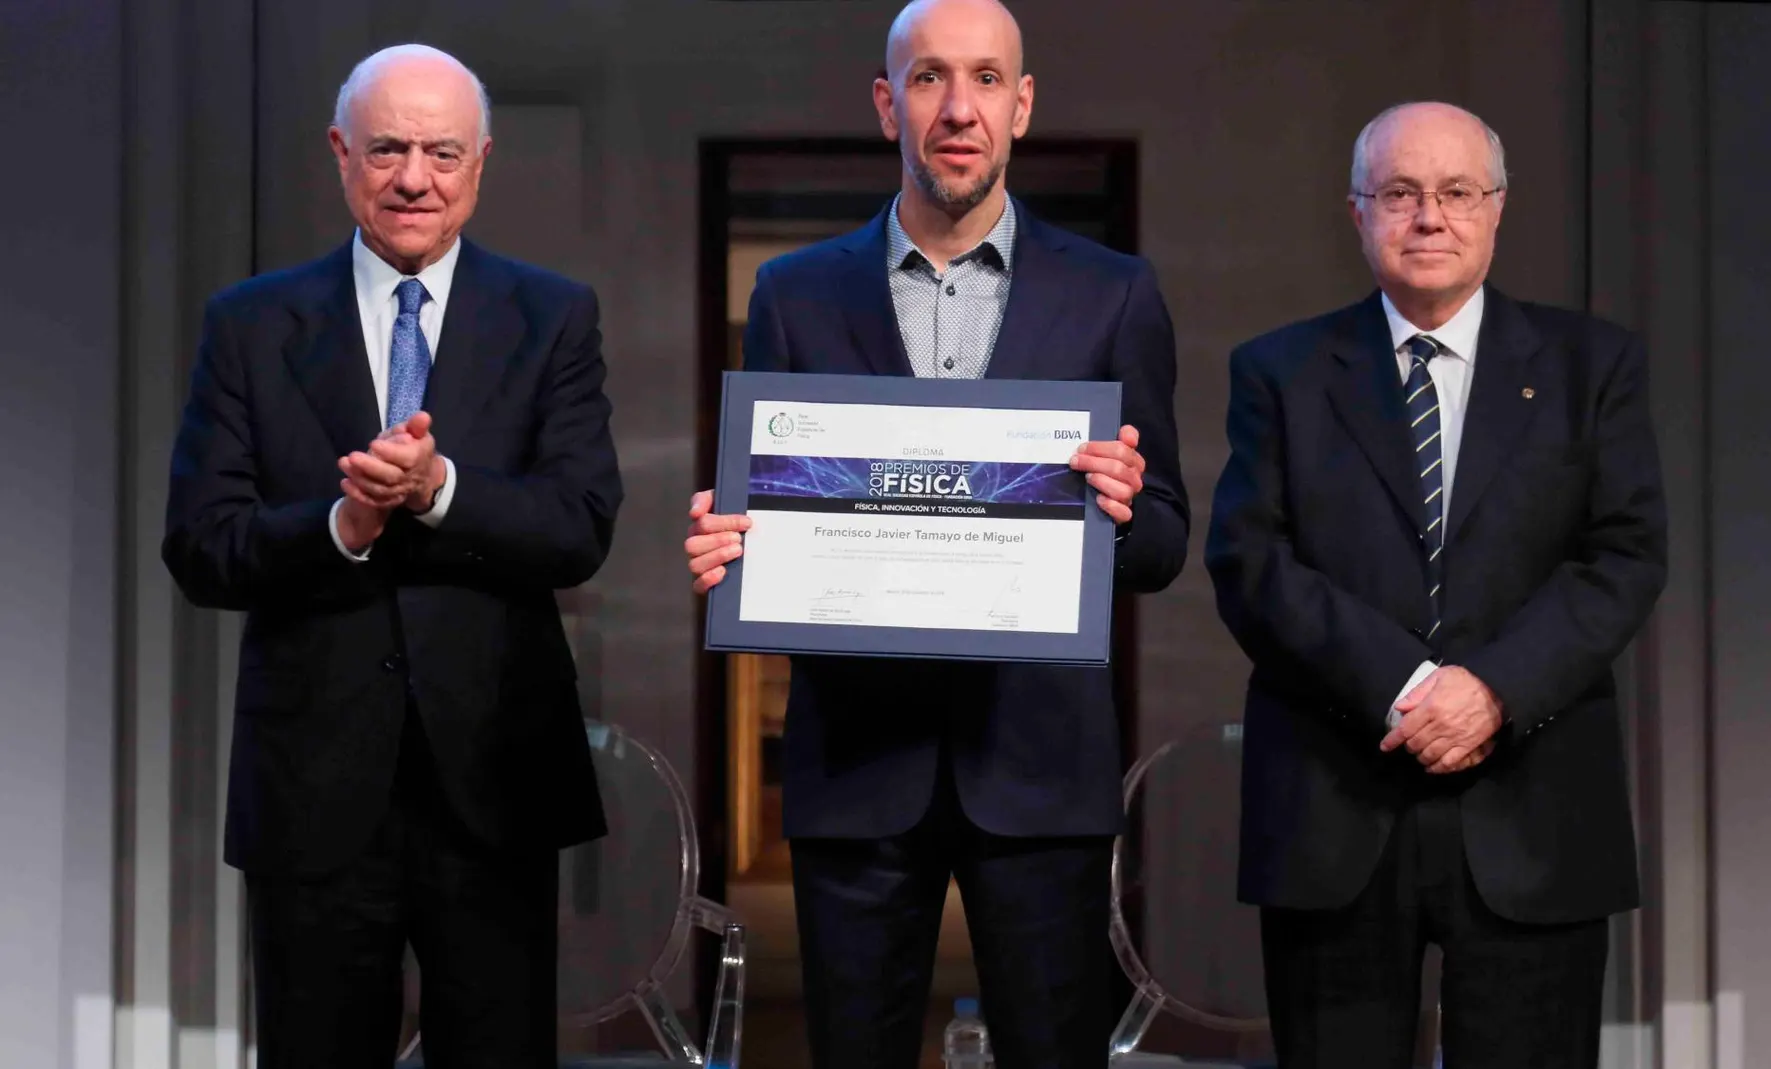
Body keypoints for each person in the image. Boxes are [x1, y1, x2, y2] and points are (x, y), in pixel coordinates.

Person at [684, 1, 1187, 1065]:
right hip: (859, 768)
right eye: (926, 78)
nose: (957, 107)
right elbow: (776, 514)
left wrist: (1124, 505)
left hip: (1041, 773)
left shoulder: (1113, 294)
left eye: (984, 79)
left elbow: (1161, 548)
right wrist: (734, 549)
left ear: (1022, 103)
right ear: (885, 104)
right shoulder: (793, 291)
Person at [162, 44, 622, 1069]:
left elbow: (580, 523)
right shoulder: (248, 325)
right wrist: (341, 528)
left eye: (443, 153)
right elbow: (199, 544)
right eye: (388, 149)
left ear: (482, 162)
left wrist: (441, 490)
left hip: (495, 784)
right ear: (339, 154)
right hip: (311, 793)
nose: (415, 177)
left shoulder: (553, 317)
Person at [1204, 101, 1667, 1069]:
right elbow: (1251, 562)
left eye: (1456, 192)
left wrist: (1489, 690)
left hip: (1534, 814)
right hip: (1334, 809)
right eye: (1400, 193)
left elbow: (1623, 555)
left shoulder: (1593, 366)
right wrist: (1411, 689)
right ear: (1357, 212)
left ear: (1496, 209)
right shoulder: (1278, 371)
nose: (1429, 217)